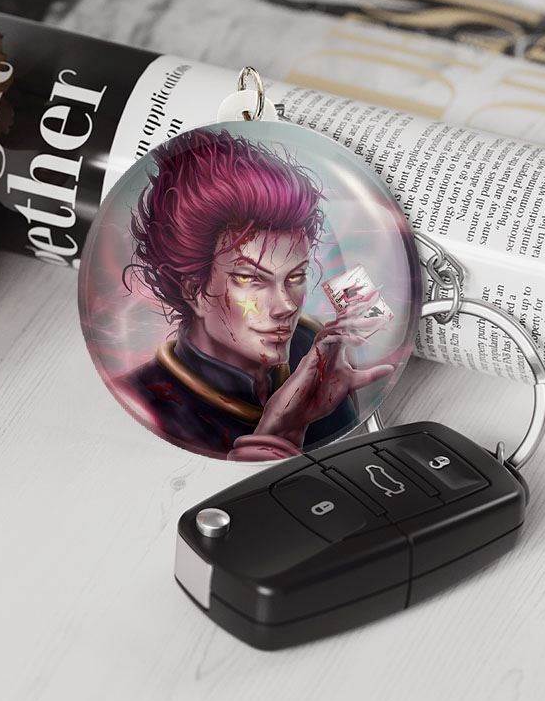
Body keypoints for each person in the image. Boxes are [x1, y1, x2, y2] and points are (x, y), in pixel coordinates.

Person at [117, 127, 394, 461]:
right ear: (195, 291)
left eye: (296, 276)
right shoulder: (147, 405)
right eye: (250, 279)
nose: (286, 305)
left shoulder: (311, 343)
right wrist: (275, 435)